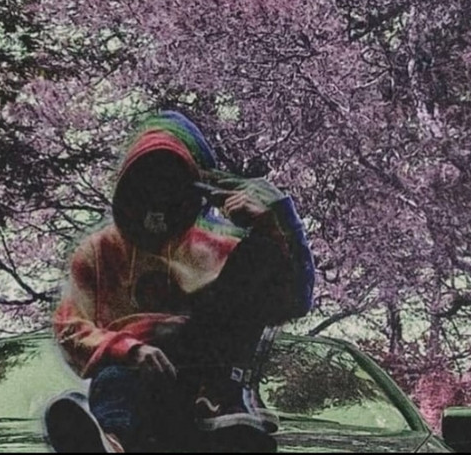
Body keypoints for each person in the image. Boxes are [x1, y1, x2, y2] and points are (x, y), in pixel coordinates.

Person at [44, 112, 314, 453]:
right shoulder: (99, 251)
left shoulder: (222, 249)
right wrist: (129, 349)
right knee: (115, 379)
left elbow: (295, 301)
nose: (158, 199)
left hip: (205, 382)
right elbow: (69, 326)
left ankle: (222, 406)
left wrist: (277, 222)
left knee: (260, 253)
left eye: (169, 186)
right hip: (134, 383)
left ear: (193, 191)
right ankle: (110, 442)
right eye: (147, 185)